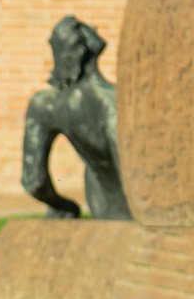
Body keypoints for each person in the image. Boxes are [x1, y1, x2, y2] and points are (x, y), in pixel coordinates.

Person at [22, 16, 131, 220]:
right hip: (134, 213)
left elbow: (33, 182)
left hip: (100, 206)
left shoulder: (45, 105)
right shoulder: (116, 103)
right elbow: (132, 175)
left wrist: (63, 206)